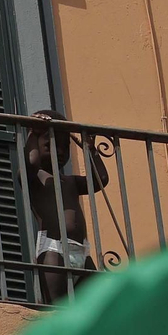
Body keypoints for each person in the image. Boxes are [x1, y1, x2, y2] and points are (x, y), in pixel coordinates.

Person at [23, 108, 109, 303]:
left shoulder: (70, 181)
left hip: (82, 252)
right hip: (54, 250)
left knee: (96, 306)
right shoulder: (35, 177)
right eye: (51, 145)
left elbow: (100, 179)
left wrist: (90, 149)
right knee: (57, 306)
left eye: (65, 147)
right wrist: (33, 132)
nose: (60, 152)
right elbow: (32, 161)